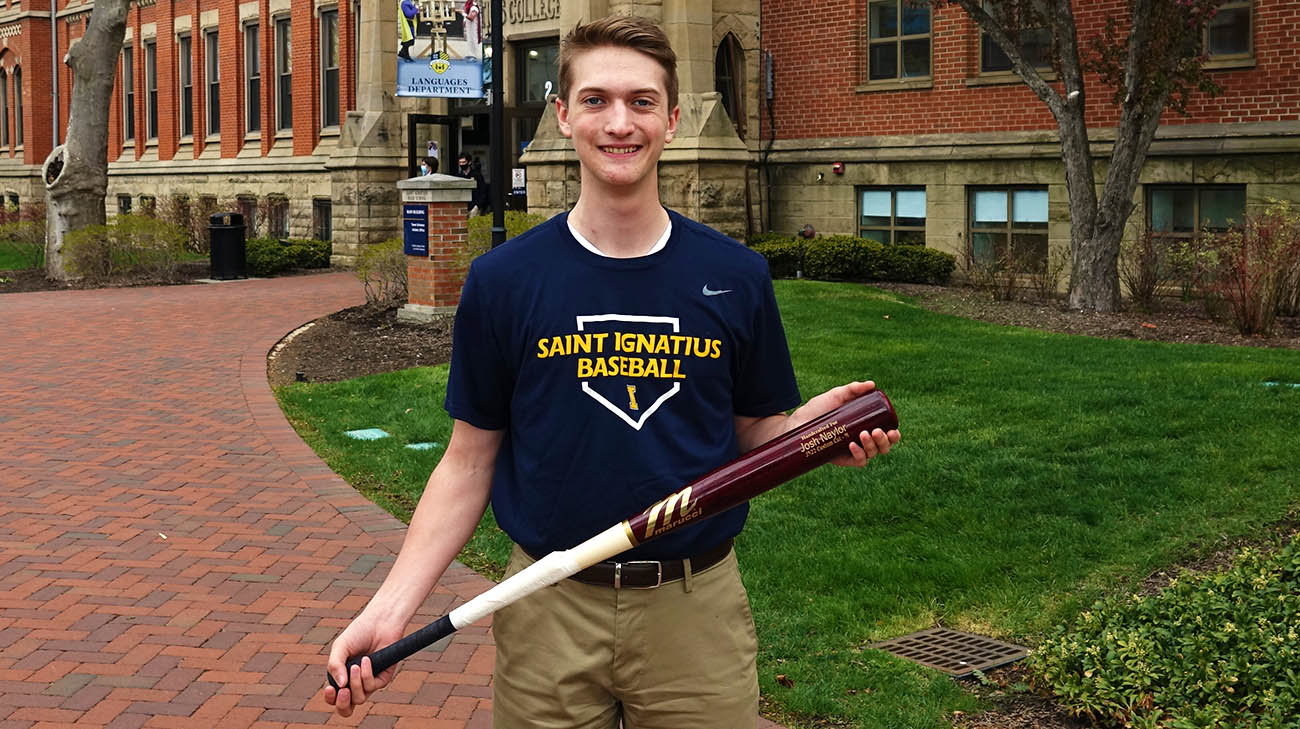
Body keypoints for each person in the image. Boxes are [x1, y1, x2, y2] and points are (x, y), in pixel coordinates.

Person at [324, 15, 899, 729]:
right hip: (547, 604)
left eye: (641, 101)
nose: (619, 122)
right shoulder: (505, 281)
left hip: (694, 609)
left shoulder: (735, 275)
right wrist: (387, 611)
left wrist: (816, 437)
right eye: (595, 100)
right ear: (562, 116)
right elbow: (468, 464)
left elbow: (756, 433)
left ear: (673, 117)